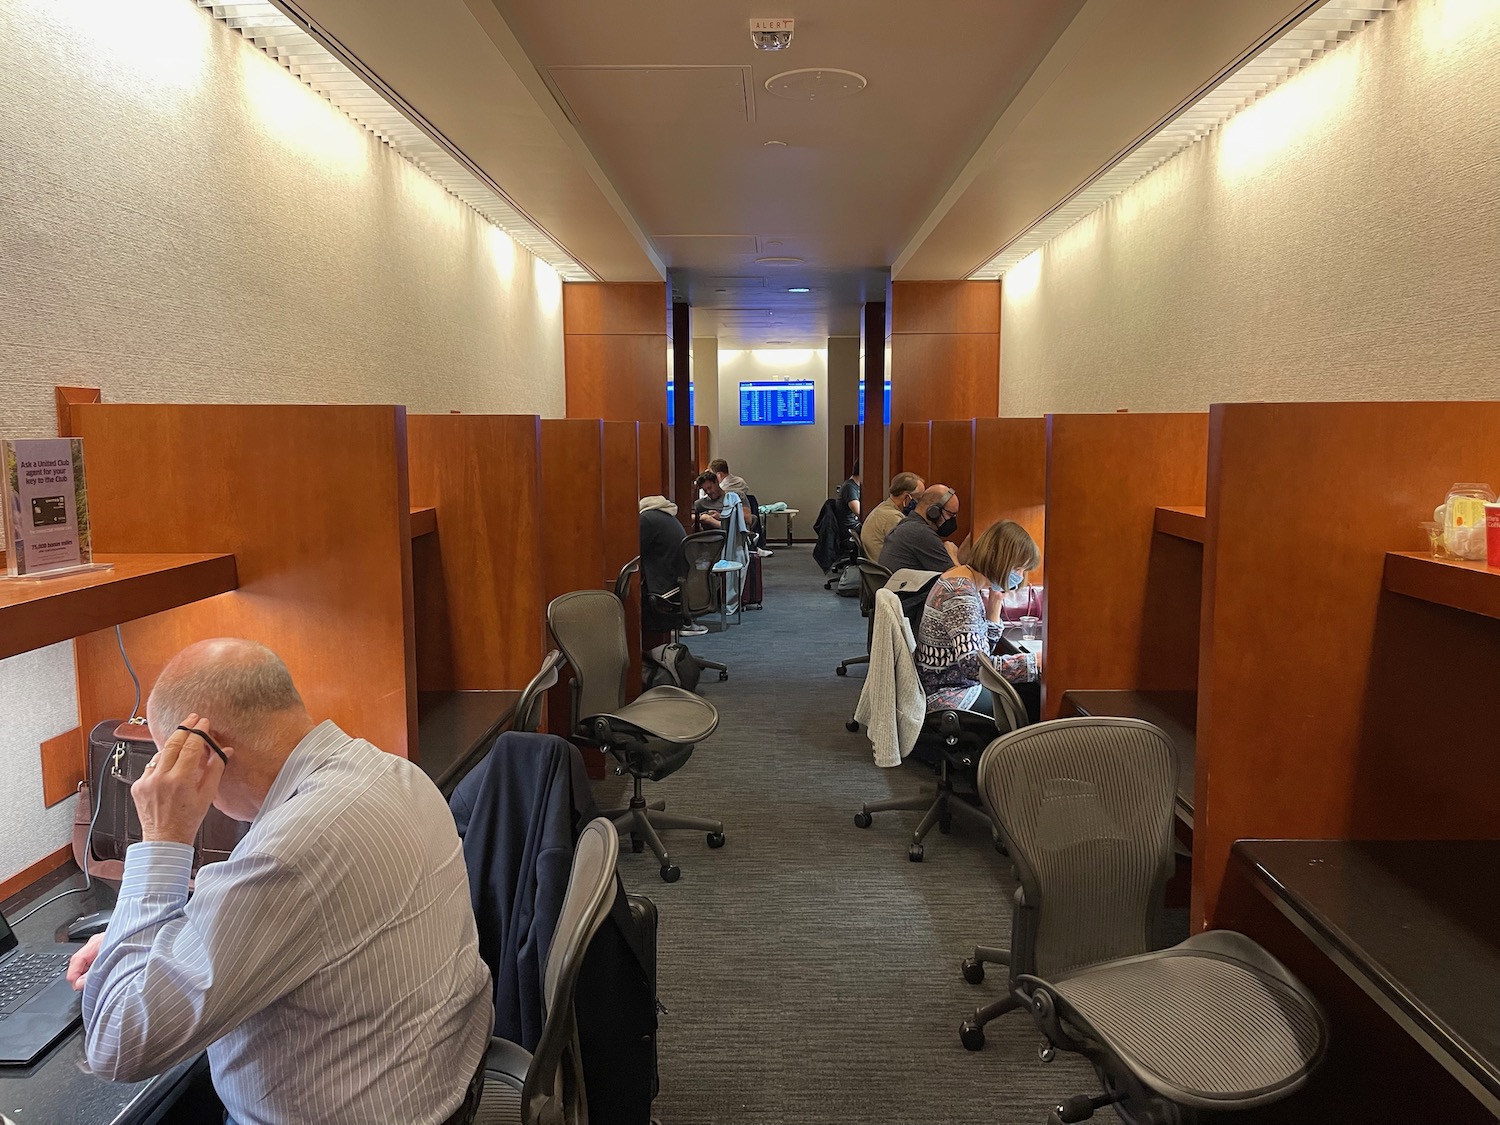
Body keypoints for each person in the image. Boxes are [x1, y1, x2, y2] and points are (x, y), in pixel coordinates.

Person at [67, 639, 493, 1125]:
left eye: (167, 762)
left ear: (202, 756)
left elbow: (117, 1045)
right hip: (445, 1084)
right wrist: (144, 938)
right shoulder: (391, 772)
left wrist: (162, 841)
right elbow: (284, 911)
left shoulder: (289, 851)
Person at [916, 519, 1041, 717]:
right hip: (948, 694)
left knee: (1028, 690)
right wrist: (1034, 662)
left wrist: (993, 611)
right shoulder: (961, 595)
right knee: (1035, 698)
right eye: (1018, 569)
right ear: (1000, 561)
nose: (1020, 576)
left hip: (950, 683)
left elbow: (979, 652)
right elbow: (974, 667)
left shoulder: (962, 579)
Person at [639, 494, 705, 636]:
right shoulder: (665, 516)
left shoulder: (646, 519)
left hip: (665, 585)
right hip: (679, 582)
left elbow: (634, 550)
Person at [878, 484, 963, 574]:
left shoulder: (909, 525)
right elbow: (958, 583)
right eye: (950, 515)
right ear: (934, 511)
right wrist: (952, 555)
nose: (951, 521)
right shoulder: (921, 534)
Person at [860, 471, 925, 564]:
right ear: (907, 498)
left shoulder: (882, 508)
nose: (920, 504)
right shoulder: (893, 518)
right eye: (919, 499)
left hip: (875, 568)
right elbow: (912, 550)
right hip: (886, 573)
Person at [710, 458, 771, 557]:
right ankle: (750, 540)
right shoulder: (740, 481)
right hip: (743, 514)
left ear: (719, 475)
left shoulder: (724, 487)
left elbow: (714, 498)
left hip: (729, 515)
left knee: (707, 518)